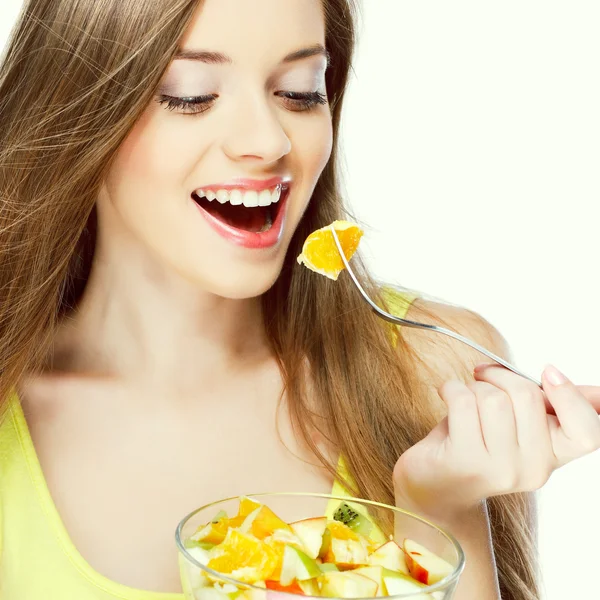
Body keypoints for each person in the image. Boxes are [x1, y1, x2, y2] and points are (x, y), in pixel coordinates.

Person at [0, 0, 599, 598]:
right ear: (73, 113)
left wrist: (440, 513)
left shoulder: (433, 378)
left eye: (300, 91)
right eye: (189, 94)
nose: (267, 140)